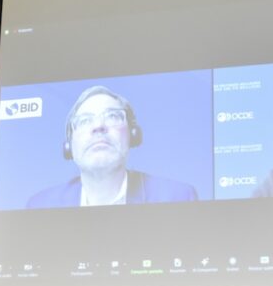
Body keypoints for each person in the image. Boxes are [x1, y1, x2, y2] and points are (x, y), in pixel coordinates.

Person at [27, 85, 198, 208]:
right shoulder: (40, 205)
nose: (98, 126)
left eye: (112, 116)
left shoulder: (178, 197)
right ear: (69, 146)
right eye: (85, 121)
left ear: (133, 135)